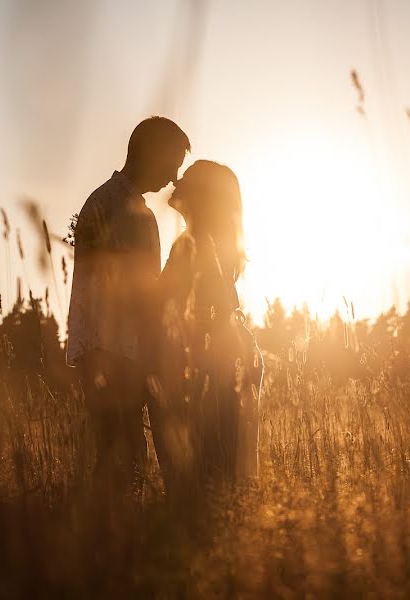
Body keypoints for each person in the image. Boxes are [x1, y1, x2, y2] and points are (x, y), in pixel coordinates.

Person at [66, 116, 190, 492]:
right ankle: (116, 541)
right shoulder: (132, 213)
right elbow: (139, 294)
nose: (171, 178)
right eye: (171, 166)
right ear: (151, 155)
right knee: (126, 463)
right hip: (117, 355)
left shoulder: (99, 199)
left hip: (95, 352)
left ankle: (108, 535)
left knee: (115, 457)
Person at [154, 160, 263, 496]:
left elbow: (198, 309)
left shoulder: (195, 243)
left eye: (186, 179)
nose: (176, 180)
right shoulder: (217, 243)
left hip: (207, 359)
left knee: (207, 469)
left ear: (201, 196)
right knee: (224, 465)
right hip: (227, 352)